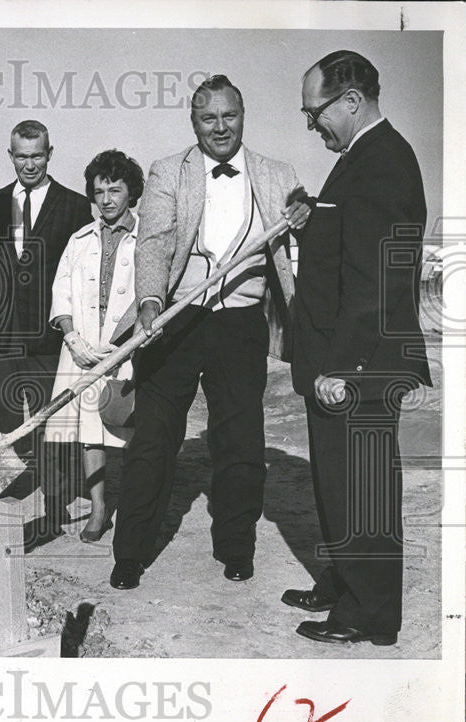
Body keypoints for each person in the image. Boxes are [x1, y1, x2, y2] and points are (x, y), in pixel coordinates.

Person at [110, 74, 310, 591]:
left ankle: (236, 547)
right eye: (208, 118)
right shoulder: (166, 172)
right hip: (175, 318)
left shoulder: (276, 173)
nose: (220, 127)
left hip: (240, 325)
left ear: (243, 116)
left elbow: (295, 249)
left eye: (229, 116)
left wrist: (304, 219)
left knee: (241, 441)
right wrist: (152, 299)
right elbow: (153, 243)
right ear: (193, 122)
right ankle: (130, 553)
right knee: (153, 440)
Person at [283, 51, 431, 646]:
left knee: (363, 489)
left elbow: (375, 280)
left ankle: (370, 614)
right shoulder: (361, 159)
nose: (311, 124)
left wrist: (341, 367)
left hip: (360, 364)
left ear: (350, 100)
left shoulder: (382, 161)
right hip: (344, 358)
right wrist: (311, 218)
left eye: (313, 112)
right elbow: (349, 243)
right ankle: (346, 581)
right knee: (340, 484)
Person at [0, 120, 92, 538]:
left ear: (50, 153)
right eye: (21, 156)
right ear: (10, 156)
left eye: (37, 155)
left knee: (54, 426)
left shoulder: (76, 206)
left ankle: (54, 513)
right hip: (0, 337)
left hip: (50, 337)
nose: (29, 164)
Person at [48, 150, 144, 543]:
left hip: (128, 350)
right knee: (90, 431)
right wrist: (72, 338)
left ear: (131, 192)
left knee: (128, 425)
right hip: (82, 350)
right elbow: (62, 293)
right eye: (99, 190)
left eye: (115, 189)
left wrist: (129, 343)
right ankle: (99, 507)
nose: (106, 198)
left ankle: (135, 507)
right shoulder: (79, 239)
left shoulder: (146, 238)